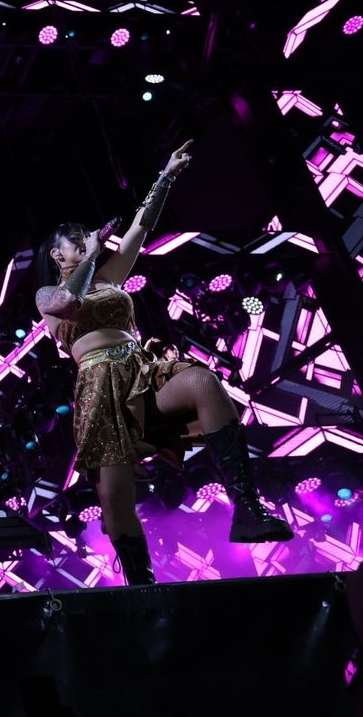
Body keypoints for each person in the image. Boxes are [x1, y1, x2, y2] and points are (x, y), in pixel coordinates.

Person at [34, 141, 293, 586]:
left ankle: (248, 509)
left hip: (140, 371)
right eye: (73, 239)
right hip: (99, 387)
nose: (84, 238)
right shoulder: (46, 295)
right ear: (58, 255)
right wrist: (92, 253)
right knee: (116, 499)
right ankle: (141, 583)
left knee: (203, 381)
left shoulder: (110, 276)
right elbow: (67, 302)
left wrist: (166, 177)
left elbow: (140, 227)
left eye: (85, 234)